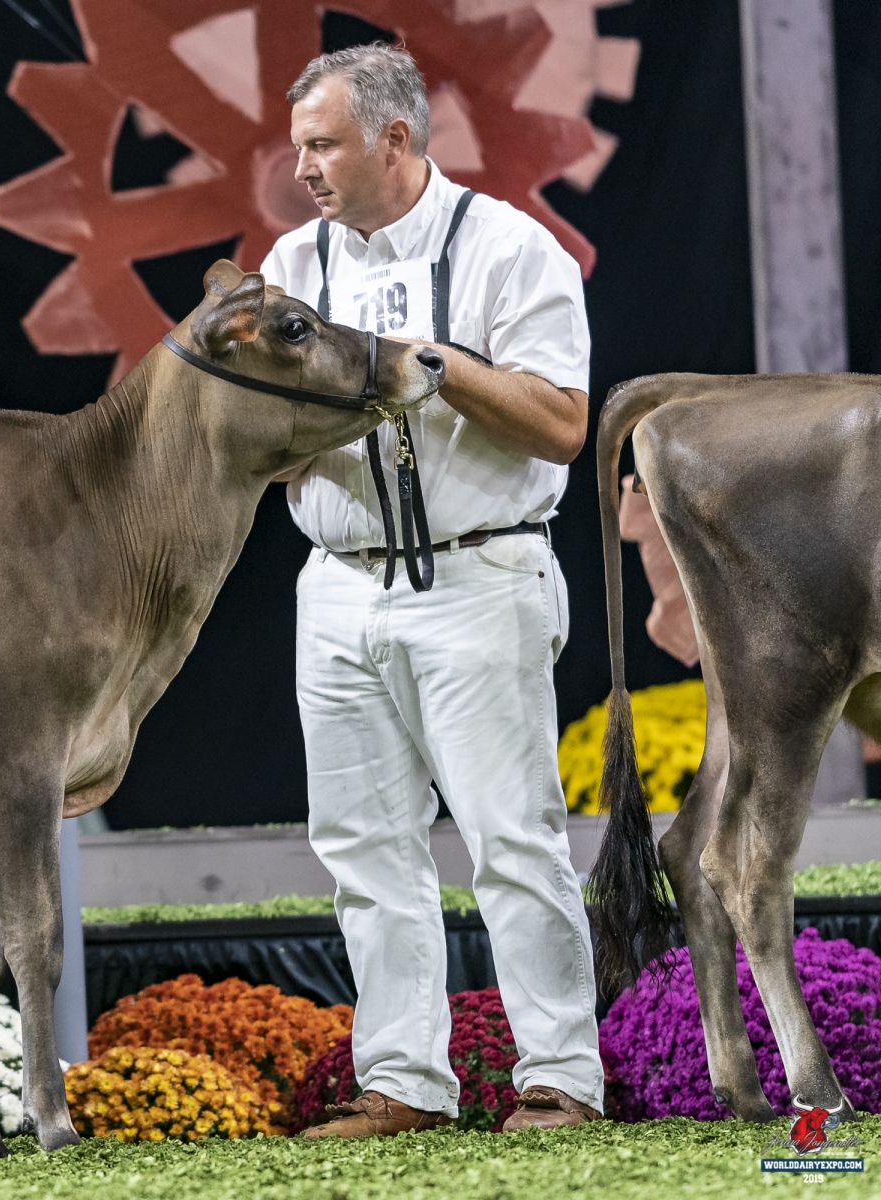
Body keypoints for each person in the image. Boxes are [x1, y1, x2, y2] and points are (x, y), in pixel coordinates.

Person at [259, 43, 603, 1136]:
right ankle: (403, 1083)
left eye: (323, 145)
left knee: (513, 841)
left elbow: (564, 423)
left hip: (480, 573)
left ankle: (562, 1078)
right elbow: (253, 436)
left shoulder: (509, 247)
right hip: (337, 584)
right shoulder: (291, 263)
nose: (302, 168)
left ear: (395, 139)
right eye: (300, 146)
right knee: (363, 851)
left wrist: (435, 366)